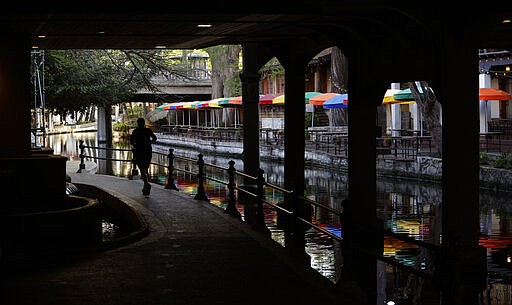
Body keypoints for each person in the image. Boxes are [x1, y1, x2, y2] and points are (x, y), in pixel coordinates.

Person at [130, 118, 157, 195]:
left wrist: (136, 145)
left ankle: (146, 184)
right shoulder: (148, 131)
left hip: (139, 151)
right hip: (147, 151)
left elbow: (131, 142)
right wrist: (149, 143)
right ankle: (146, 185)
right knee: (146, 168)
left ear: (138, 123)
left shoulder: (135, 131)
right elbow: (154, 138)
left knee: (142, 169)